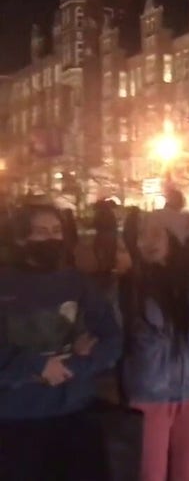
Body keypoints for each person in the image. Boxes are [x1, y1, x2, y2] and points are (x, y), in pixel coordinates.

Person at [0, 205, 122, 480]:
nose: (52, 239)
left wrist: (76, 365)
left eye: (56, 231)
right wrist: (36, 366)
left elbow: (111, 340)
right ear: (21, 238)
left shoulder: (78, 284)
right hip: (16, 419)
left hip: (74, 411)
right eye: (42, 232)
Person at [119, 210, 189, 481]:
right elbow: (116, 336)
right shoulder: (129, 286)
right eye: (142, 234)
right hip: (149, 394)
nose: (147, 241)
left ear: (174, 238)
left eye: (156, 233)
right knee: (150, 475)